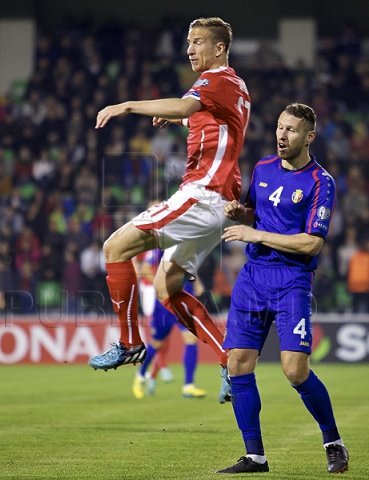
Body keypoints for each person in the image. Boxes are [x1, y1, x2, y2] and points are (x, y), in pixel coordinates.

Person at [88, 17, 251, 405]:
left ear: (219, 49)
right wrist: (183, 117)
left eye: (198, 42)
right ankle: (228, 361)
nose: (191, 49)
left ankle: (129, 342)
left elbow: (187, 103)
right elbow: (210, 120)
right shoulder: (236, 87)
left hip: (203, 195)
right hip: (220, 203)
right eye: (189, 43)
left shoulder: (217, 79)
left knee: (114, 248)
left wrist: (127, 105)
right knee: (166, 287)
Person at [217, 104, 349, 474]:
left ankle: (333, 442)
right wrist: (237, 212)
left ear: (309, 137)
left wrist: (254, 232)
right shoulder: (262, 168)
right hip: (254, 276)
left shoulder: (321, 182)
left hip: (291, 280)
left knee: (294, 370)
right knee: (237, 364)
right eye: (279, 127)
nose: (282, 135)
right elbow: (255, 214)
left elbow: (312, 244)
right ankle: (255, 456)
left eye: (291, 130)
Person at [132, 248, 206, 399]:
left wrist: (197, 282)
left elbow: (188, 265)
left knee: (191, 339)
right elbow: (145, 269)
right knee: (157, 343)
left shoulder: (186, 243)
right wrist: (163, 287)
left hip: (184, 298)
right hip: (164, 303)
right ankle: (140, 375)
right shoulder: (160, 247)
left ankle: (188, 385)